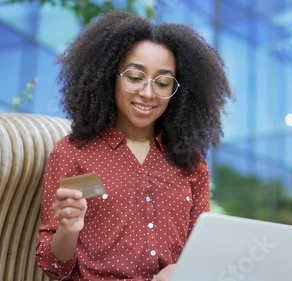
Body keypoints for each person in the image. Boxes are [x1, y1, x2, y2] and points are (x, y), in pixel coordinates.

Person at [35, 10, 233, 281]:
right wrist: (68, 230)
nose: (148, 93)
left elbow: (200, 256)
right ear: (109, 76)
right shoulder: (75, 155)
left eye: (163, 83)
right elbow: (53, 268)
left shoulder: (190, 163)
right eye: (135, 77)